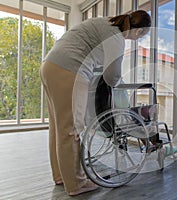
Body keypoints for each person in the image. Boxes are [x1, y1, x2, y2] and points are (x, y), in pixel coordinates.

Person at [39, 10, 151, 196]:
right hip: (70, 69)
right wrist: (118, 86)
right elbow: (112, 75)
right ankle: (76, 183)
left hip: (50, 66)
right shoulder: (117, 37)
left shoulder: (105, 23)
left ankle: (61, 176)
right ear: (139, 31)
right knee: (72, 130)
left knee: (58, 129)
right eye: (141, 36)